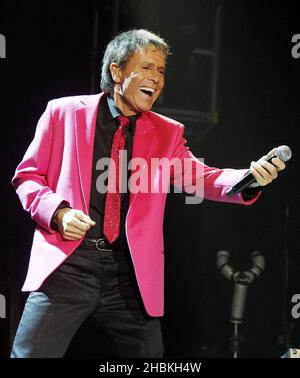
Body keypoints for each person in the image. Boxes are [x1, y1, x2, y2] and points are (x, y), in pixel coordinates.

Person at [11, 29, 286, 358]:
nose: (155, 78)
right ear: (117, 71)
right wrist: (59, 212)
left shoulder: (166, 133)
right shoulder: (64, 113)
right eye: (146, 67)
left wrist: (249, 178)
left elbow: (202, 177)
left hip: (128, 274)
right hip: (70, 264)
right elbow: (28, 176)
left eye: (161, 71)